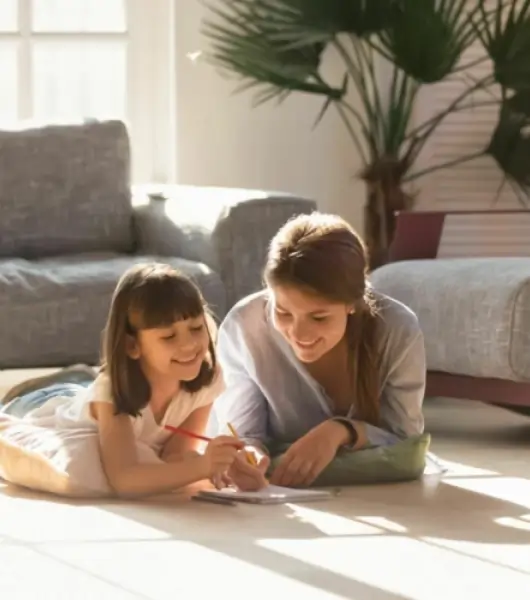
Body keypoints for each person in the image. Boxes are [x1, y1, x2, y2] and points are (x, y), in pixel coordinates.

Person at [214, 212, 426, 491]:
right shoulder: (244, 327)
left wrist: (341, 431)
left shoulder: (398, 330)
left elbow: (405, 438)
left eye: (319, 318)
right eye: (283, 312)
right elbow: (244, 435)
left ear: (352, 303)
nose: (299, 334)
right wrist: (249, 457)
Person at [1, 263, 242, 497]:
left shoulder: (207, 376)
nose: (189, 344)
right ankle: (73, 376)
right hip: (44, 402)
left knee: (86, 387)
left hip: (84, 392)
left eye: (197, 328)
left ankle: (81, 376)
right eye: (169, 336)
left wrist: (221, 466)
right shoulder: (114, 391)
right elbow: (124, 480)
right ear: (132, 345)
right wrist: (201, 467)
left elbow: (175, 455)